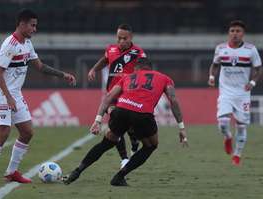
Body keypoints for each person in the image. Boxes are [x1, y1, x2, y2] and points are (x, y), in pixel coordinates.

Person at [0, 9, 76, 185]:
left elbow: (39, 66)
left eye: (35, 26)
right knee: (4, 132)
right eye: (32, 25)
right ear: (21, 24)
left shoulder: (27, 44)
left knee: (27, 132)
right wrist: (8, 97)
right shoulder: (10, 44)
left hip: (14, 93)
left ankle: (11, 172)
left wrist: (63, 75)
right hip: (1, 93)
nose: (34, 29)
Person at [64, 57, 188, 186]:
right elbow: (173, 100)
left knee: (107, 142)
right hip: (142, 114)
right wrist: (181, 127)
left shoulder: (127, 77)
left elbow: (108, 97)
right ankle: (119, 176)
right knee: (151, 145)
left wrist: (98, 120)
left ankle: (77, 171)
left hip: (121, 110)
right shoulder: (164, 78)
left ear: (136, 68)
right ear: (150, 68)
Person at [88, 24, 146, 168]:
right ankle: (124, 158)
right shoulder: (111, 49)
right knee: (115, 125)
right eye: (119, 38)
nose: (121, 41)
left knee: (132, 129)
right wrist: (94, 69)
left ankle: (134, 143)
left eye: (124, 38)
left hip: (129, 95)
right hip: (113, 96)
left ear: (131, 38)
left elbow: (145, 71)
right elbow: (104, 60)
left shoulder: (138, 53)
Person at [208, 20, 262, 166]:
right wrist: (212, 77)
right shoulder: (220, 48)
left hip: (243, 94)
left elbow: (258, 69)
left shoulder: (250, 50)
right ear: (229, 33)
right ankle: (227, 137)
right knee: (223, 123)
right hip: (226, 92)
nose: (235, 34)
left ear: (243, 34)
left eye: (238, 31)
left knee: (242, 125)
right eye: (232, 31)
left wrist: (252, 82)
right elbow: (215, 65)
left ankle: (237, 155)